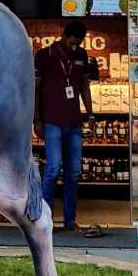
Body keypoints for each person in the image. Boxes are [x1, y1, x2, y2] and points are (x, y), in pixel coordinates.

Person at [34, 20, 93, 232]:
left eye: (78, 43)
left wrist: (90, 113)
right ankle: (43, 219)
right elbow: (36, 89)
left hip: (74, 122)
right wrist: (37, 119)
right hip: (51, 122)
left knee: (74, 172)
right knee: (52, 168)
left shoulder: (82, 56)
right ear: (63, 36)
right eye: (71, 42)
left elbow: (84, 86)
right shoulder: (44, 56)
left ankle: (70, 220)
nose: (74, 47)